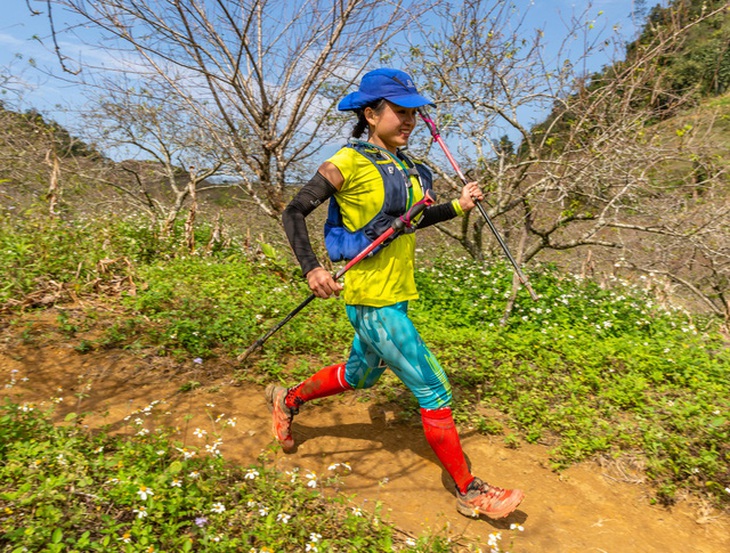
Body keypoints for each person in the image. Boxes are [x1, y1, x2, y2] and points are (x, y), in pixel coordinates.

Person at [268, 68, 524, 520]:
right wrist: (311, 269)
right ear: (371, 114)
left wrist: (457, 206)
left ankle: (288, 399)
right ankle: (469, 490)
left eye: (413, 113)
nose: (409, 121)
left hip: (397, 293)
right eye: (399, 112)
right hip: (372, 300)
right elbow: (294, 211)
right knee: (434, 389)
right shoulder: (345, 163)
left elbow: (408, 221)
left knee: (361, 376)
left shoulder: (410, 168)